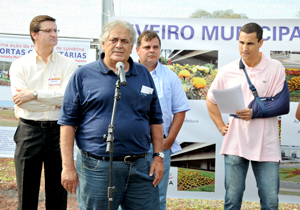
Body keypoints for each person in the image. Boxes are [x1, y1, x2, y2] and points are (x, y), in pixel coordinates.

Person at [58, 19, 164, 210]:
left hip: (141, 166)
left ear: (132, 47)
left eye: (124, 41)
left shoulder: (143, 74)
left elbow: (155, 118)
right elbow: (67, 123)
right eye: (113, 39)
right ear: (103, 43)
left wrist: (157, 156)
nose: (119, 45)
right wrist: (67, 166)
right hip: (97, 169)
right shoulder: (83, 75)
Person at [206, 22, 288, 210]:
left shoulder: (275, 67)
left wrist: (255, 112)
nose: (244, 48)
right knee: (232, 201)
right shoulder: (228, 70)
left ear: (261, 42)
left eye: (250, 43)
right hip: (235, 143)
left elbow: (282, 105)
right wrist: (220, 125)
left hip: (267, 145)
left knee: (271, 202)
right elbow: (211, 100)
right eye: (241, 42)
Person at [10, 15, 77, 210]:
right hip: (28, 132)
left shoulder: (68, 64)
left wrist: (35, 94)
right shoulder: (20, 65)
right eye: (48, 31)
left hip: (59, 133)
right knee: (26, 193)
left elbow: (68, 99)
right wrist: (55, 101)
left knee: (58, 193)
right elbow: (23, 105)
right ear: (34, 35)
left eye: (56, 30)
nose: (54, 34)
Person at [136, 30, 190, 210]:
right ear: (137, 49)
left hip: (159, 146)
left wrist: (168, 141)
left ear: (160, 50)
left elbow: (180, 110)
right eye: (147, 47)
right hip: (130, 146)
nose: (151, 50)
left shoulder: (170, 77)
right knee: (127, 196)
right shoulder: (126, 75)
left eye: (155, 47)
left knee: (158, 196)